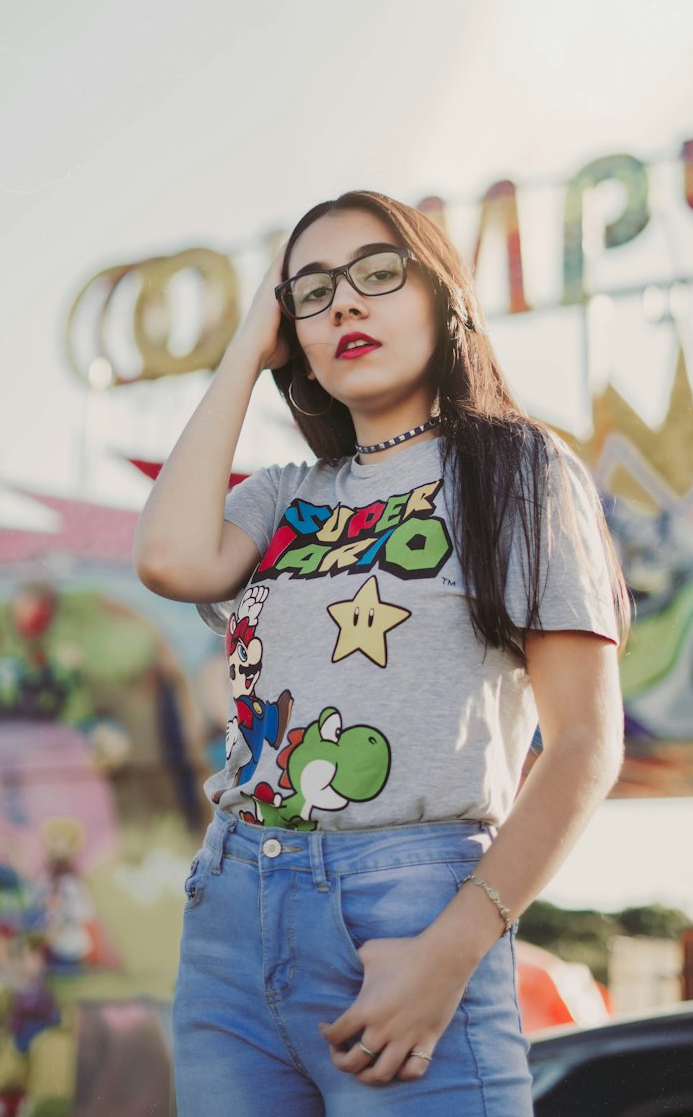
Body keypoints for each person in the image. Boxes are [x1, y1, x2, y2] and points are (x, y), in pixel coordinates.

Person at [134, 190, 629, 1116]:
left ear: (446, 302)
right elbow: (169, 558)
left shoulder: (518, 470)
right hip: (233, 913)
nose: (345, 306)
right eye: (312, 293)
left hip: (410, 907)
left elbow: (583, 744)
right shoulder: (283, 497)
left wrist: (453, 948)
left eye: (377, 275)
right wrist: (249, 344)